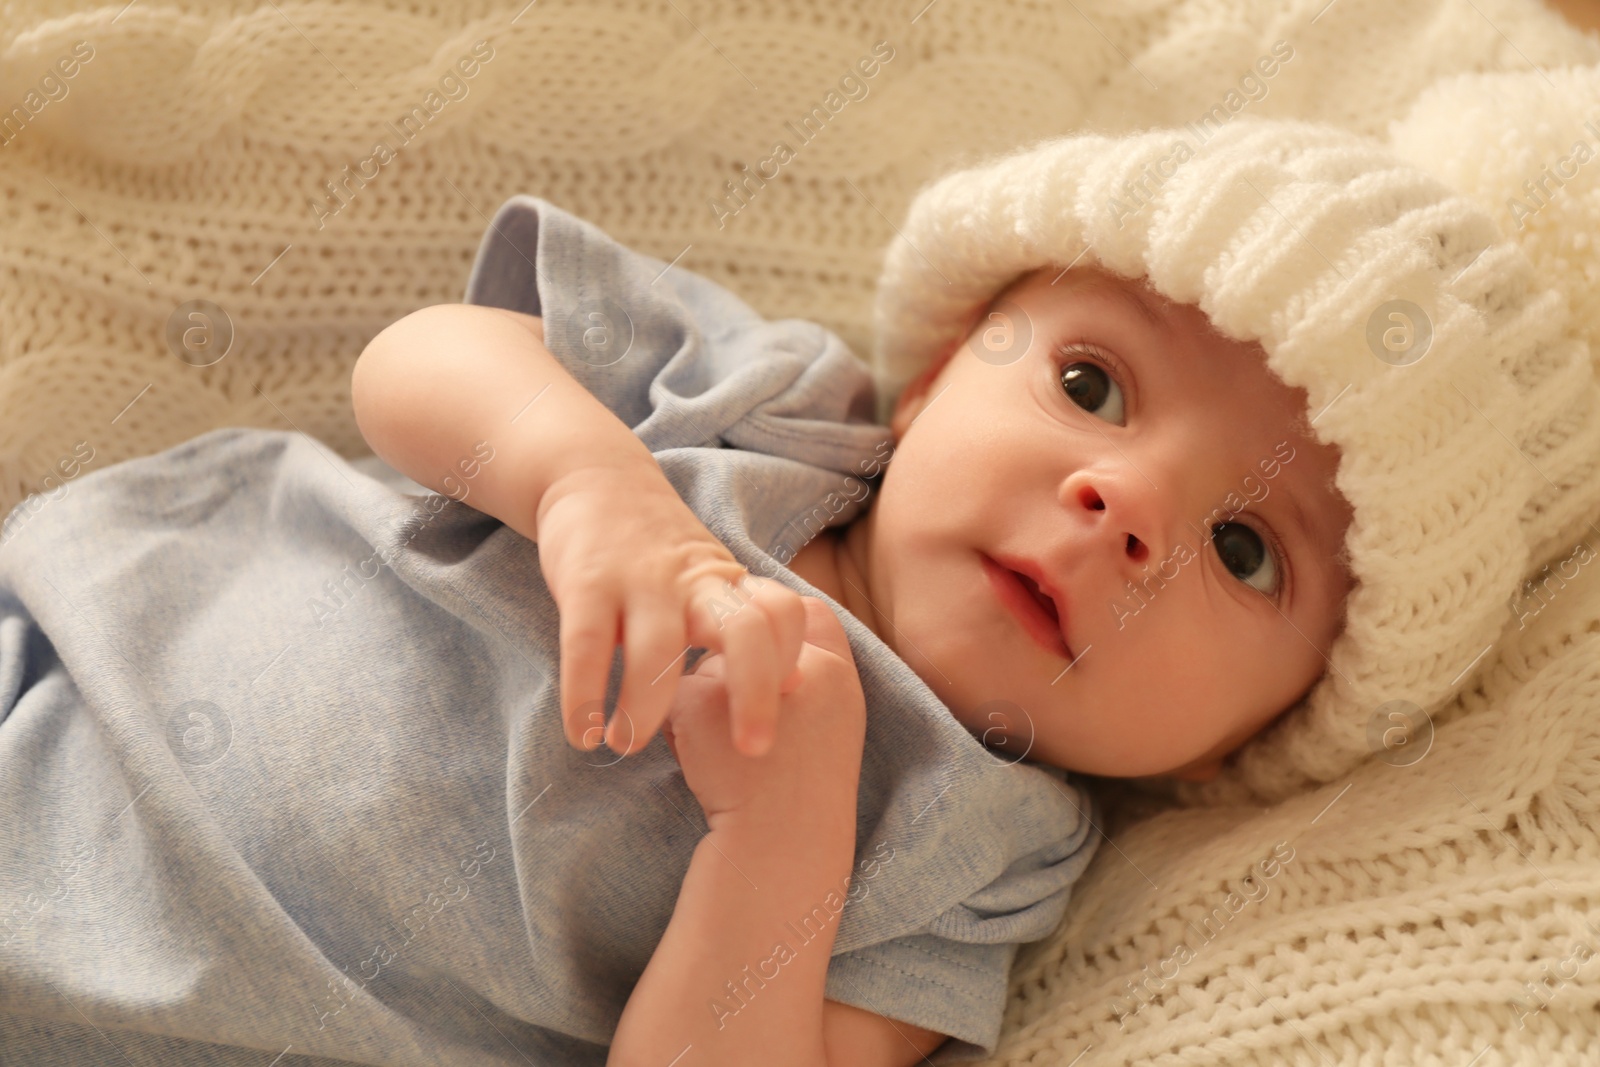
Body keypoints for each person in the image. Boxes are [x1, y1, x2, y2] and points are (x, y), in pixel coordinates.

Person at [1, 117, 1583, 1067]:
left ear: (1243, 745)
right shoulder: (762, 405)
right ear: (940, 375)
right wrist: (581, 481)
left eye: (1250, 552)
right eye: (1094, 385)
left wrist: (785, 837)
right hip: (79, 666)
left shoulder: (983, 863)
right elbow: (414, 363)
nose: (1129, 507)